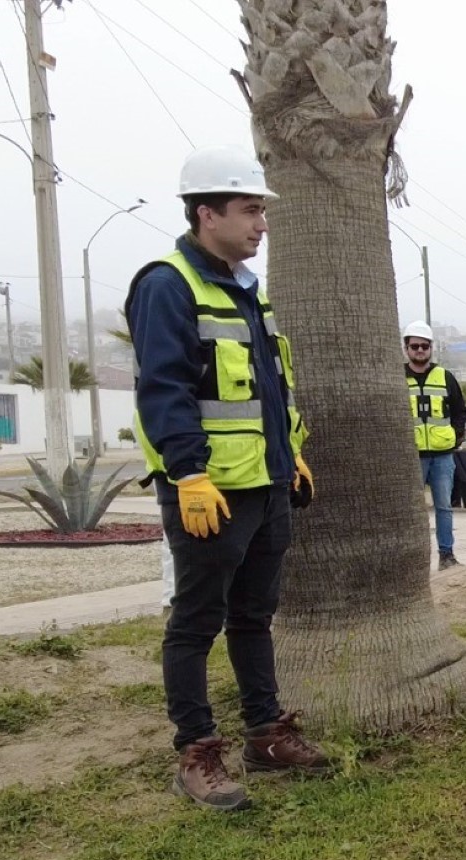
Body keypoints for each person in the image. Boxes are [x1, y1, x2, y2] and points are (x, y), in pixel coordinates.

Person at [129, 145, 325, 812]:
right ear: (205, 213)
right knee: (194, 621)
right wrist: (186, 473)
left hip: (265, 485)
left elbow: (267, 390)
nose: (261, 224)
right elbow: (165, 390)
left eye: (262, 211)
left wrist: (288, 455)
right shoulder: (168, 285)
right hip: (209, 491)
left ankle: (265, 735)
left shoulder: (246, 291)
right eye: (249, 210)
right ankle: (197, 751)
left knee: (253, 617)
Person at [403, 320, 466, 569]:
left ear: (431, 348)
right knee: (412, 511)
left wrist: (455, 436)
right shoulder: (399, 378)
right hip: (413, 456)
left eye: (424, 346)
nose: (420, 350)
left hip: (442, 455)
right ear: (406, 348)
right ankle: (415, 560)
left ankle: (446, 555)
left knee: (444, 508)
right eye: (415, 346)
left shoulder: (445, 377)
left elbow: (460, 412)